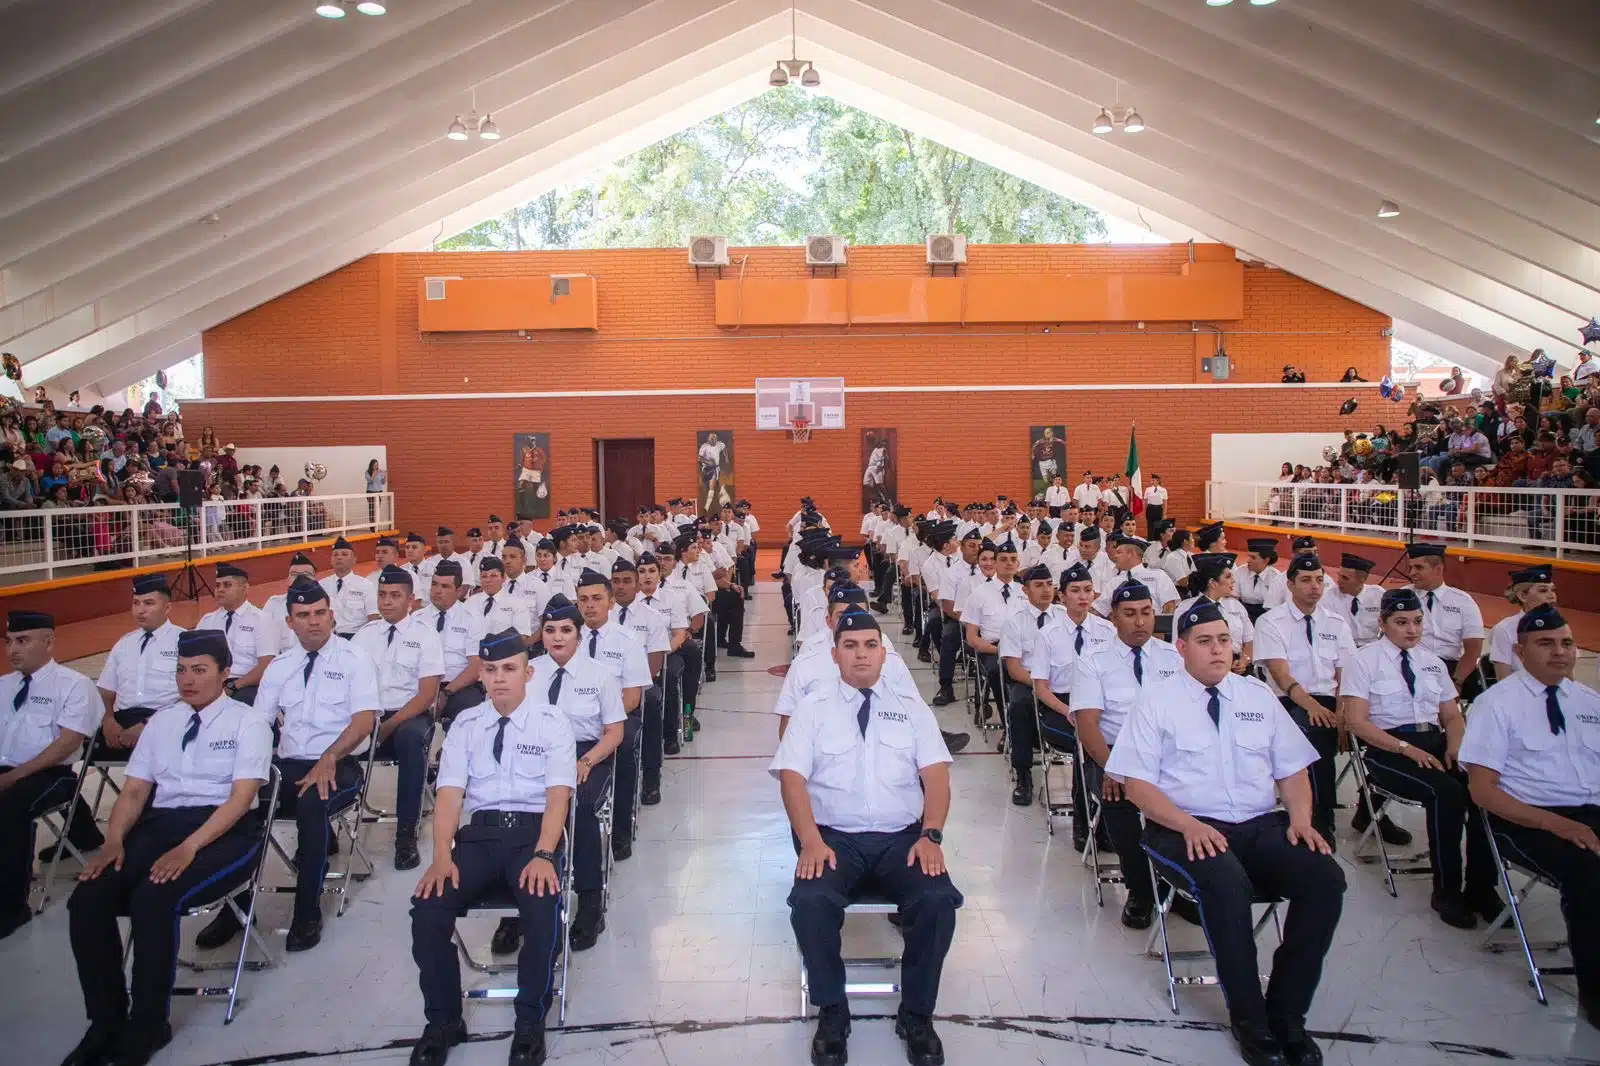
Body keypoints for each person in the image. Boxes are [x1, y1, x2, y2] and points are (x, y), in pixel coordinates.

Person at [1109, 599, 1346, 1066]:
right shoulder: (1157, 701)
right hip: (1182, 826)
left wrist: (1301, 820)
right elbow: (1136, 784)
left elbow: (1293, 771)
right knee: (1226, 884)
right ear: (1181, 648)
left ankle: (1287, 1014)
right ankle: (1250, 1018)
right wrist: (1186, 823)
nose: (1218, 651)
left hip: (1261, 825)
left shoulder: (1256, 697)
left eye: (1223, 640)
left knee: (1325, 880)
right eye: (1204, 642)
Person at [60, 630, 272, 1066]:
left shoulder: (247, 722)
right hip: (160, 825)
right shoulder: (163, 722)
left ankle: (149, 1022)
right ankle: (105, 1020)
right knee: (87, 899)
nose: (187, 680)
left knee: (154, 897)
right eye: (180, 670)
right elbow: (135, 791)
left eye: (199, 670)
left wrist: (190, 848)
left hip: (225, 831)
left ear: (225, 673)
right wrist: (113, 841)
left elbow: (240, 799)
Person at [772, 609, 961, 1066]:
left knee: (938, 901)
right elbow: (792, 780)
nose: (861, 655)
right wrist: (811, 840)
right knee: (811, 902)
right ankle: (833, 1010)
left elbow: (936, 778)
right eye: (851, 646)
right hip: (835, 840)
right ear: (835, 654)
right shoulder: (812, 710)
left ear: (884, 653)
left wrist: (931, 835)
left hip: (903, 839)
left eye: (870, 645)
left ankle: (916, 1013)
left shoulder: (910, 708)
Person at [408, 629, 575, 1066]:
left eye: (509, 669)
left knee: (541, 911)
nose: (499, 678)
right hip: (478, 839)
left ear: (527, 672)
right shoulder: (466, 725)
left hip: (531, 836)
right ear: (480, 673)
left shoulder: (552, 722)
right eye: (491, 670)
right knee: (427, 910)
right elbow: (449, 795)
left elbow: (559, 795)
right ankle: (443, 1020)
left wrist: (544, 853)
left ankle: (528, 1021)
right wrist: (441, 856)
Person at [193, 579, 378, 953]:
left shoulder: (355, 659)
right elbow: (259, 725)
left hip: (339, 764)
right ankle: (236, 906)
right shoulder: (280, 667)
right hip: (290, 763)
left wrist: (329, 757)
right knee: (241, 801)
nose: (314, 622)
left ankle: (306, 909)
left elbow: (363, 722)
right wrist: (247, 773)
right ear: (290, 623)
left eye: (320, 613)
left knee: (312, 804)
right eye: (303, 616)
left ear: (331, 615)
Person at [1459, 605, 1600, 1030]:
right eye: (1545, 644)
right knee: (1590, 872)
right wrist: (1557, 824)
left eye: (1567, 643)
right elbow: (1482, 791)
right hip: (1525, 819)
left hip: (1591, 811)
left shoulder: (1589, 702)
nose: (1560, 653)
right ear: (1520, 650)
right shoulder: (1496, 705)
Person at [1340, 589, 1501, 929]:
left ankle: (1481, 887)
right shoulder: (1364, 660)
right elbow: (1356, 721)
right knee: (1447, 793)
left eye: (1416, 622)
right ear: (1383, 624)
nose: (1411, 630)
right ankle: (1446, 890)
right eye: (1401, 622)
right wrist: (1406, 749)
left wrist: (1455, 746)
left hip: (1436, 743)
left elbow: (1452, 716)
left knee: (1483, 793)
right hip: (1389, 749)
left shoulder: (1432, 662)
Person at [491, 594, 625, 958]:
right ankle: (516, 906)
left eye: (566, 630)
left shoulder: (601, 676)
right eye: (550, 630)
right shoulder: (530, 672)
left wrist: (588, 761)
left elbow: (614, 732)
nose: (557, 637)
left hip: (586, 756)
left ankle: (590, 899)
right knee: (517, 804)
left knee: (576, 806)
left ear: (578, 635)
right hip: (537, 754)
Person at [1070, 582, 1173, 927]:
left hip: (1167, 753)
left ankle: (1178, 881)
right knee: (1119, 803)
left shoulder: (1174, 658)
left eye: (1146, 613)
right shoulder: (1093, 661)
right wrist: (1114, 768)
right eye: (1130, 614)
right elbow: (1087, 725)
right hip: (1112, 753)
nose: (1140, 622)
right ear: (1113, 618)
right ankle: (1141, 889)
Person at [0, 611, 100, 940]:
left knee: (11, 809)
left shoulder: (73, 685)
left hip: (51, 775)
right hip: (6, 771)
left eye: (23, 641)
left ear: (49, 642)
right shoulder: (2, 686)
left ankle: (11, 909)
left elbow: (67, 744)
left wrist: (13, 778)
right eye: (10, 641)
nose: (13, 649)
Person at [1253, 554, 1356, 848]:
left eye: (1320, 580)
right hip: (1287, 701)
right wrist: (1317, 709)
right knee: (1314, 732)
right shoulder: (1271, 622)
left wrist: (1344, 717)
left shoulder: (1336, 623)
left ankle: (1367, 811)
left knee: (1366, 727)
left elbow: (1345, 676)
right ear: (1290, 584)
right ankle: (1319, 821)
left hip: (1332, 701)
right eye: (1306, 580)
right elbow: (1281, 676)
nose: (1315, 587)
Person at [352, 566, 444, 872]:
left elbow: (427, 694)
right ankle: (326, 830)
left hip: (409, 715)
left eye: (395, 596)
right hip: (369, 714)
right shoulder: (363, 637)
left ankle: (406, 836)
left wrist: (388, 725)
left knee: (410, 740)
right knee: (329, 737)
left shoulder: (425, 635)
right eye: (382, 595)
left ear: (411, 601)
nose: (387, 602)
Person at [1017, 564, 1115, 825]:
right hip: (1061, 707)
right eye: (1075, 591)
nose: (1083, 596)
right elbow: (1041, 688)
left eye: (1087, 590)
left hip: (1100, 706)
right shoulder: (1048, 635)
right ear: (1062, 596)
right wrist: (1068, 711)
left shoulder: (1108, 631)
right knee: (1088, 744)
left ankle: (1112, 817)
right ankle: (1086, 825)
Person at [572, 569, 649, 861]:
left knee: (626, 743)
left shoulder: (626, 640)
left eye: (596, 599)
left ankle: (620, 830)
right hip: (574, 720)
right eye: (583, 600)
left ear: (609, 602)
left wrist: (602, 722)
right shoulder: (567, 637)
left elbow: (632, 698)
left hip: (617, 717)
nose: (589, 605)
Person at [608, 558, 670, 805]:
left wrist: (630, 692)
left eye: (626, 581)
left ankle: (651, 778)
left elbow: (654, 665)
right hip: (606, 688)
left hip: (641, 684)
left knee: (653, 701)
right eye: (615, 582)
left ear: (636, 585)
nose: (620, 587)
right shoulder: (605, 615)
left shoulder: (651, 617)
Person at [1001, 564, 1063, 803]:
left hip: (1062, 682)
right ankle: (1024, 774)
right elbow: (1014, 669)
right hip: (1029, 680)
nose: (1046, 590)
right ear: (1025, 590)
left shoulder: (1063, 616)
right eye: (1039, 585)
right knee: (1019, 705)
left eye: (1049, 584)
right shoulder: (1015, 622)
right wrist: (1041, 685)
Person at [1404, 543, 1487, 705]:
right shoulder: (1403, 597)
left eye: (1419, 567)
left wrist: (1457, 682)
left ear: (1438, 569)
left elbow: (1473, 649)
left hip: (1450, 668)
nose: (1412, 573)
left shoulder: (1463, 601)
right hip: (1411, 664)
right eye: (1411, 567)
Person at [414, 561, 487, 727]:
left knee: (468, 717)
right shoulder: (416, 619)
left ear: (459, 591)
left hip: (458, 687)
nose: (438, 590)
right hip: (420, 687)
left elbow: (475, 667)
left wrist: (446, 692)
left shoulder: (472, 619)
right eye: (434, 584)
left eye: (445, 586)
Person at [196, 563, 273, 704]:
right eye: (217, 585)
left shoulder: (261, 620)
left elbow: (266, 665)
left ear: (245, 588)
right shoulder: (207, 621)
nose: (220, 590)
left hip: (245, 685)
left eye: (227, 585)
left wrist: (234, 686)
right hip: (211, 684)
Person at [1489, 566, 1557, 681]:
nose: (1552, 596)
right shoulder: (1505, 630)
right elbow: (1503, 682)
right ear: (1523, 596)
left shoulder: (1560, 628)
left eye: (1553, 590)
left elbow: (1568, 678)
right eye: (1543, 590)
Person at [320, 537, 378, 639]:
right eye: (335, 554)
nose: (339, 557)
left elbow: (373, 618)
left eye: (344, 554)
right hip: (328, 638)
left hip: (356, 637)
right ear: (331, 560)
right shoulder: (322, 585)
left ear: (354, 560)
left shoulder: (365, 585)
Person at [1331, 554, 1383, 648]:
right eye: (1339, 575)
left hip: (1372, 648)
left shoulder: (1378, 595)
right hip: (1341, 648)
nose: (1338, 581)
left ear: (1362, 580)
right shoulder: (1329, 596)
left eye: (1345, 578)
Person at [1233, 538, 1287, 622]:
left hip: (1266, 616)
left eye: (1253, 557)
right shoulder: (1241, 571)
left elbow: (1277, 607)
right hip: (1242, 614)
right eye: (1248, 556)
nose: (1248, 560)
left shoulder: (1275, 577)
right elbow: (1234, 597)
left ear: (1266, 560)